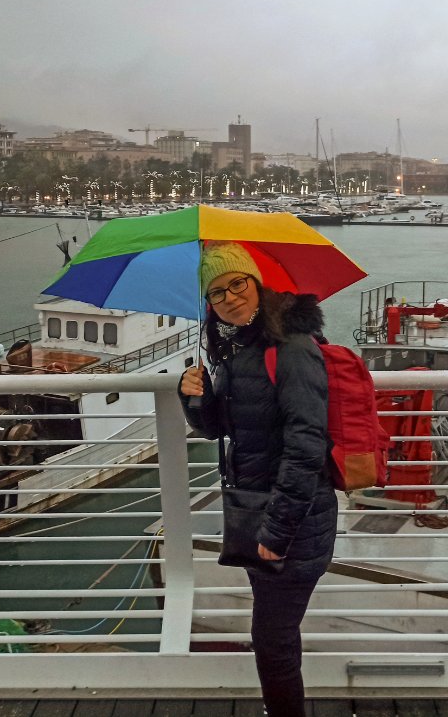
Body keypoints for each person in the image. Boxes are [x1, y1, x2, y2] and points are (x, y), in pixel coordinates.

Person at [179, 241, 336, 717]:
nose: (229, 297)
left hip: (290, 524)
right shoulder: (242, 348)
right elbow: (220, 429)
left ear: (257, 283)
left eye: (237, 283)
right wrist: (195, 397)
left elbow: (307, 444)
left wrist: (277, 530)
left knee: (271, 639)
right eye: (217, 292)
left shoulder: (292, 348)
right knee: (276, 635)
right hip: (257, 513)